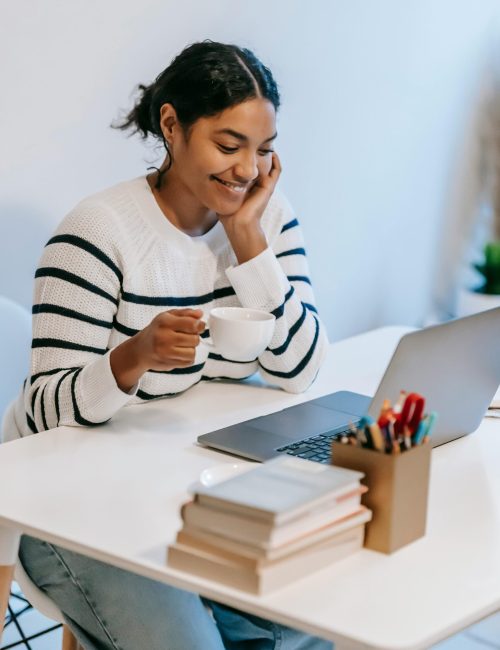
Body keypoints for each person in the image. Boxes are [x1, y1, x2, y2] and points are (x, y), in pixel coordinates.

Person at [3, 41, 330, 649]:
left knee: (312, 626)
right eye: (228, 146)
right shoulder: (96, 233)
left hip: (189, 491)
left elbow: (301, 368)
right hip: (68, 508)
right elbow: (46, 410)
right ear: (172, 125)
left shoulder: (266, 218)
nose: (246, 170)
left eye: (262, 151)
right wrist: (133, 357)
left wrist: (248, 239)